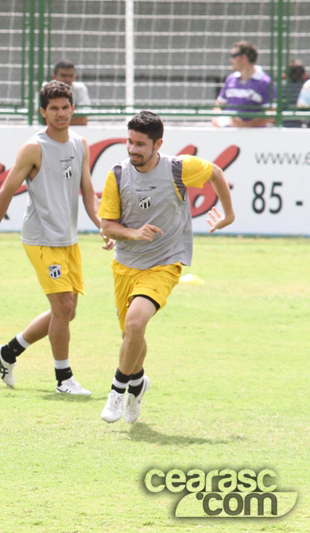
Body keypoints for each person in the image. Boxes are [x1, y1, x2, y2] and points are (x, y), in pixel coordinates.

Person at [0, 81, 112, 395]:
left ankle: (7, 352)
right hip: (40, 239)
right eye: (54, 108)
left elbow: (89, 193)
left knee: (67, 311)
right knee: (63, 307)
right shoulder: (33, 148)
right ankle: (64, 379)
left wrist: (103, 226)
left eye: (66, 107)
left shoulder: (80, 143)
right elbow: (5, 193)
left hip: (68, 239)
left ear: (73, 108)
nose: (61, 113)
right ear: (43, 112)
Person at [98, 111, 234, 424]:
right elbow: (107, 225)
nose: (133, 149)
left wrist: (228, 213)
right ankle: (137, 384)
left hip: (164, 262)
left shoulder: (178, 168)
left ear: (158, 144)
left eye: (140, 144)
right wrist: (131, 233)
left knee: (135, 324)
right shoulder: (117, 174)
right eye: (129, 142)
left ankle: (117, 390)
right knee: (131, 337)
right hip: (125, 265)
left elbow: (214, 171)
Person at [212, 41, 273, 128]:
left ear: (244, 58)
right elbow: (218, 105)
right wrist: (216, 120)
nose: (231, 61)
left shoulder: (264, 82)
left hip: (252, 137)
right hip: (227, 135)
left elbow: (272, 114)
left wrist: (245, 125)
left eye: (233, 56)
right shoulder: (231, 79)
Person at [51, 61, 91, 126]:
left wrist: (57, 121)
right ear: (53, 77)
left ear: (75, 77)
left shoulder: (80, 88)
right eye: (63, 75)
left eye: (70, 76)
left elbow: (83, 118)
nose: (67, 79)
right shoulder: (45, 89)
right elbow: (43, 119)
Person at [282, 59, 307, 128]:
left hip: (282, 124)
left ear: (285, 75)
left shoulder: (279, 88)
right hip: (304, 125)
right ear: (304, 75)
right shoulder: (307, 88)